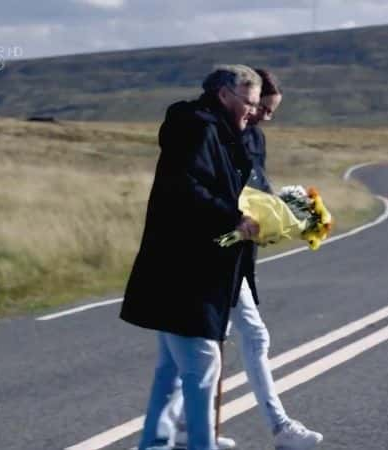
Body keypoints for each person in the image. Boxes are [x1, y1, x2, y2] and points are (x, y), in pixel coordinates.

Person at [158, 69, 324, 450]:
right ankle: (278, 428)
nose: (264, 115)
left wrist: (286, 215)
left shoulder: (252, 135)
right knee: (235, 337)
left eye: (269, 110)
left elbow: (256, 187)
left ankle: (182, 429)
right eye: (260, 107)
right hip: (212, 249)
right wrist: (243, 218)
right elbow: (204, 187)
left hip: (233, 248)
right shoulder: (217, 132)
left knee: (198, 345)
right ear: (234, 98)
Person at [120, 64, 262, 450]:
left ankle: (156, 442)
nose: (253, 111)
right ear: (223, 95)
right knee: (202, 365)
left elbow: (217, 187)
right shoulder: (200, 129)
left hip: (189, 267)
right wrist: (235, 217)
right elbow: (185, 188)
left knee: (172, 369)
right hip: (186, 270)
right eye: (248, 103)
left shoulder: (219, 131)